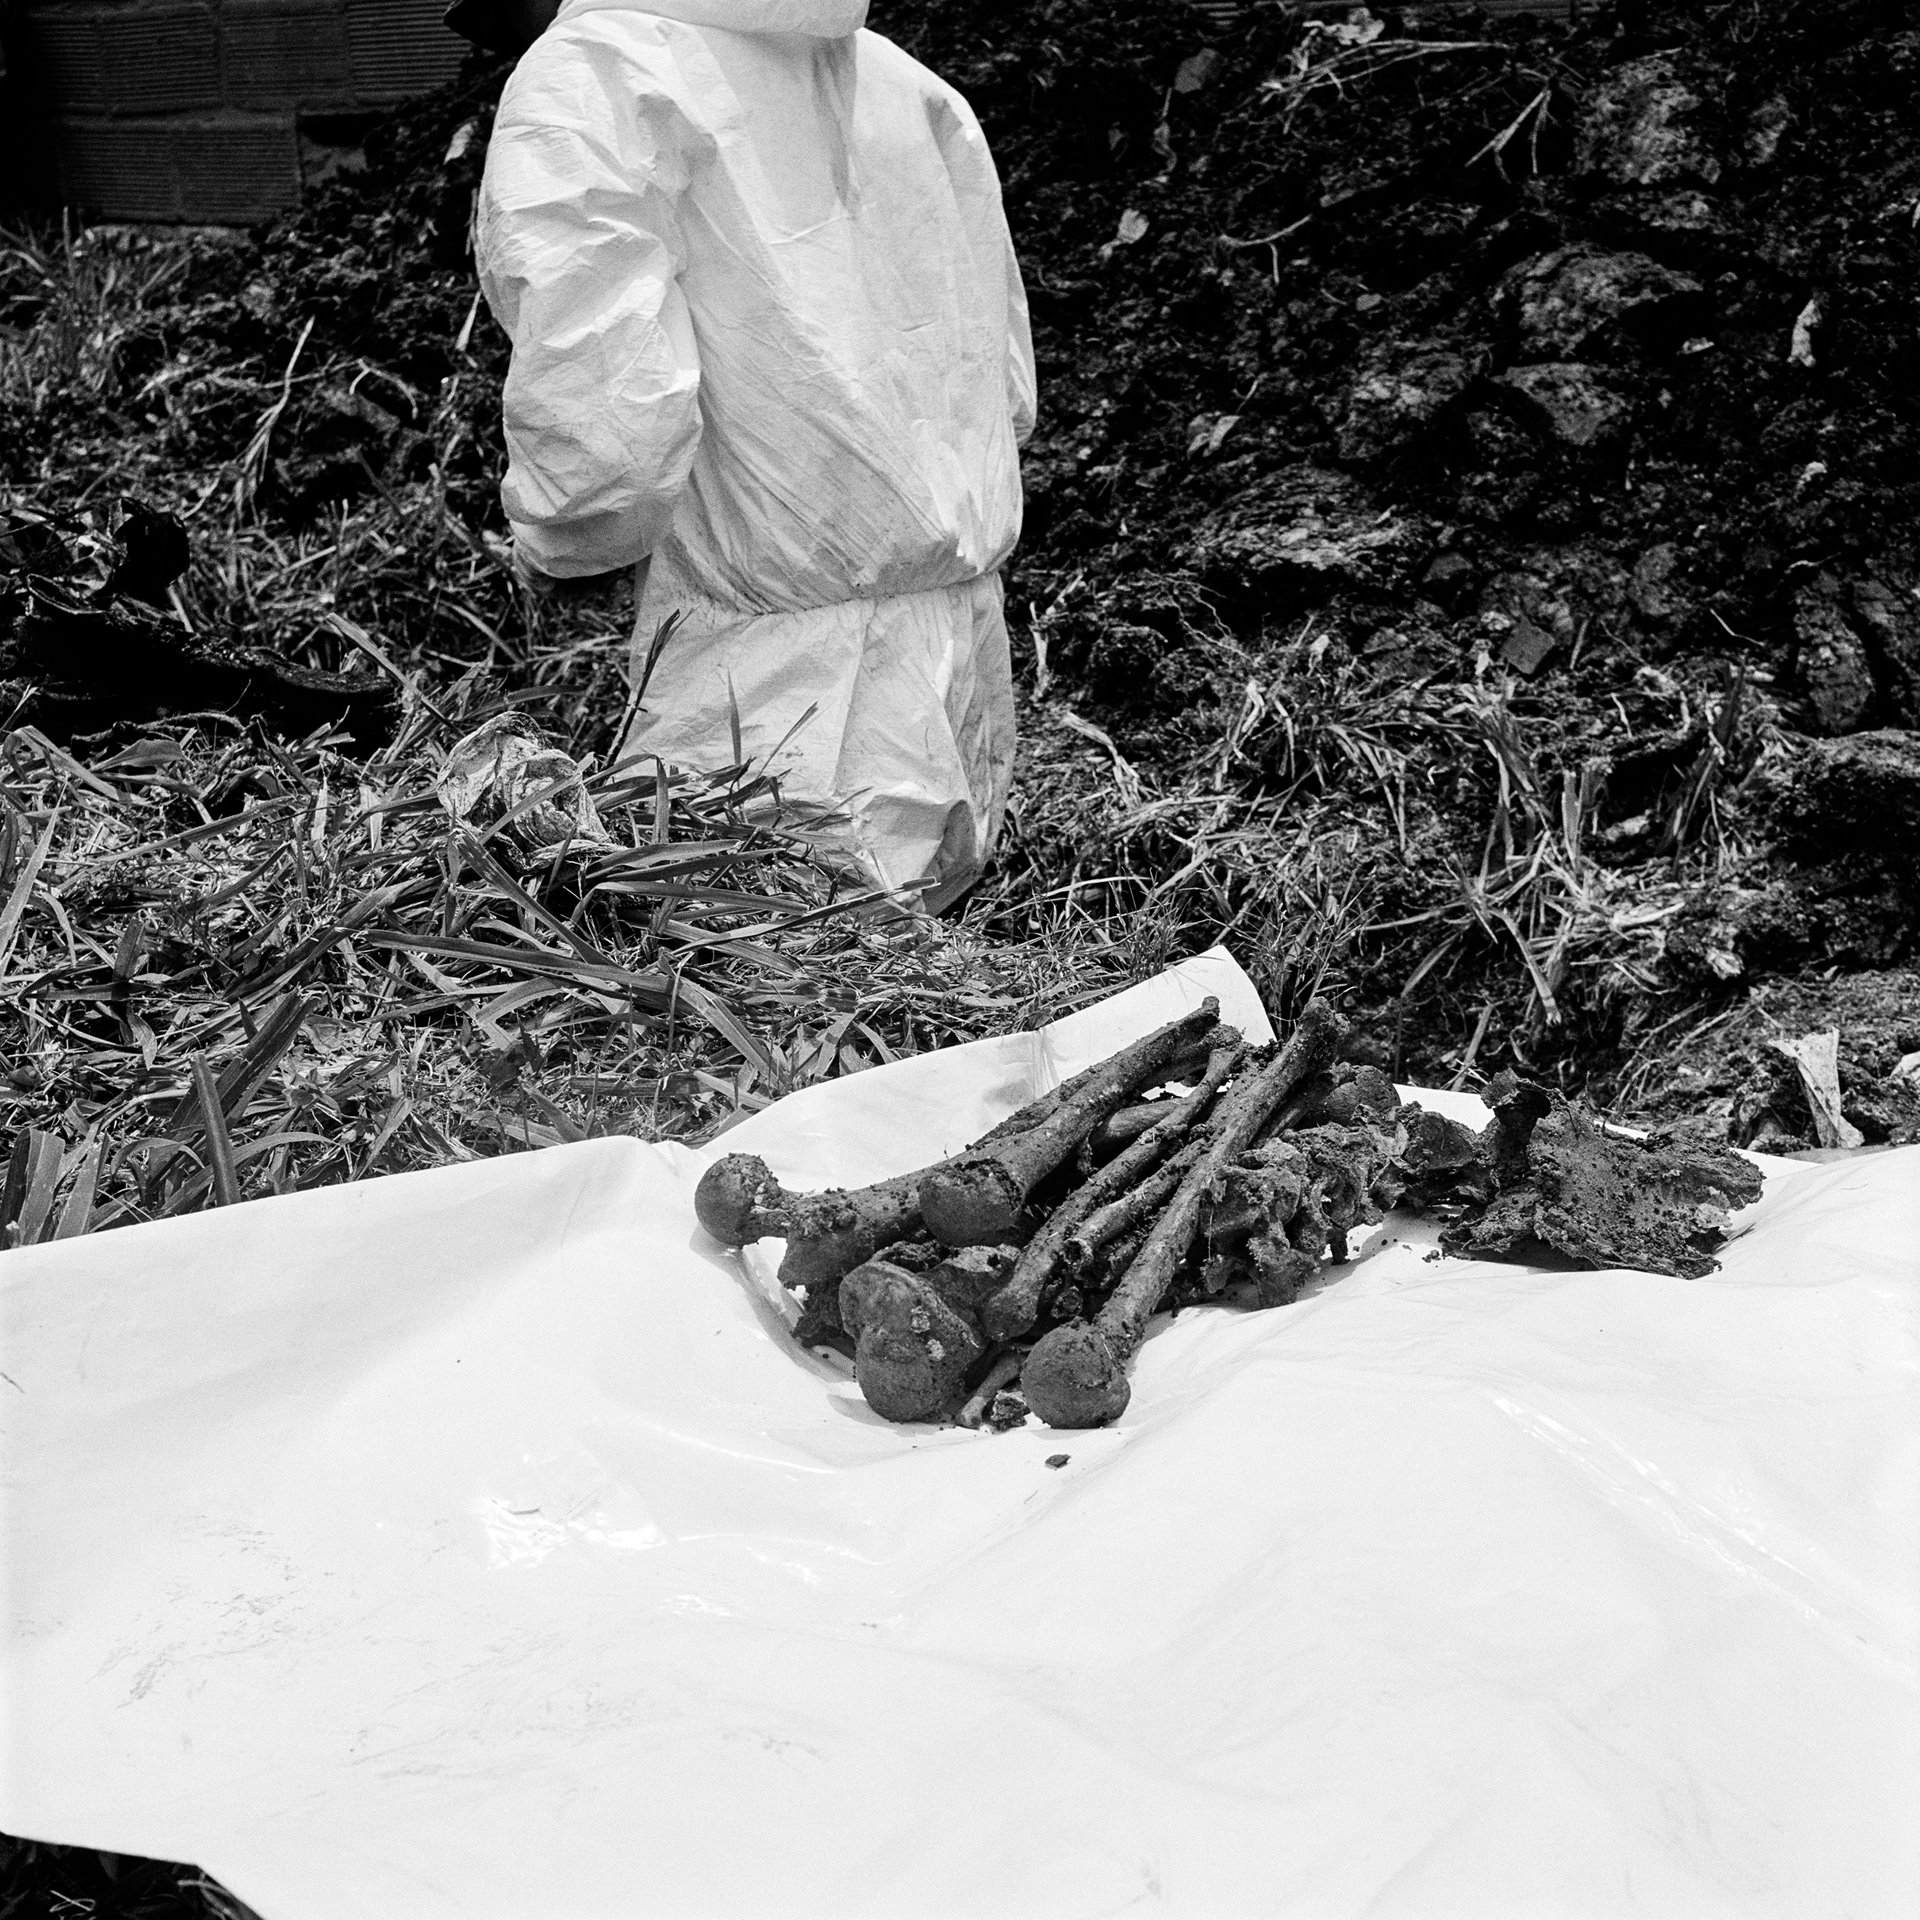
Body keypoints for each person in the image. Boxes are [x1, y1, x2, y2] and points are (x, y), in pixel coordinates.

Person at [458, 0, 1034, 910]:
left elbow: (605, 414)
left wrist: (568, 543)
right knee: (914, 989)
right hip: (958, 647)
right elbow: (1004, 386)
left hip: (768, 695)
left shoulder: (598, 70)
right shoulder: (907, 83)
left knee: (759, 1011)